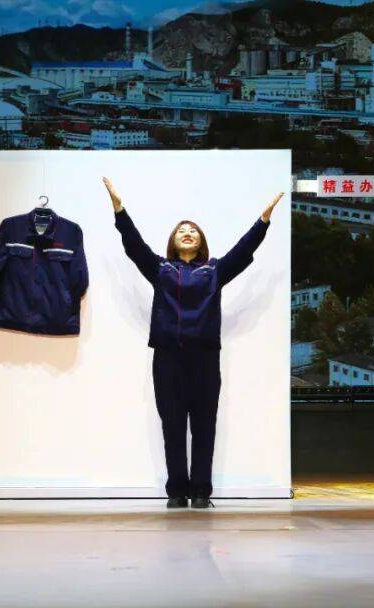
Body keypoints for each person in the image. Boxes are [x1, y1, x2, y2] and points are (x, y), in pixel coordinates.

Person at [103, 176, 282, 509]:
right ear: (173, 241)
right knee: (172, 425)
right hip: (167, 358)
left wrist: (263, 221)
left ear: (201, 242)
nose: (187, 233)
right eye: (181, 230)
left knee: (204, 425)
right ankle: (176, 491)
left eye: (193, 231)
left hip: (204, 359)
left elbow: (243, 251)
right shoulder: (160, 268)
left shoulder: (214, 270)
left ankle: (200, 491)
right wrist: (120, 210)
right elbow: (134, 246)